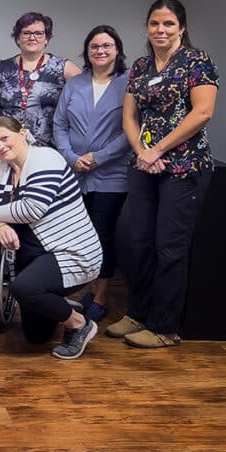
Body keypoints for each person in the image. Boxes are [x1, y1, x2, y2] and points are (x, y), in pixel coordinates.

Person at [110, 0, 219, 348]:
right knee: (137, 243)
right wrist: (143, 153)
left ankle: (165, 326)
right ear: (147, 27)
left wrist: (159, 149)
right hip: (145, 165)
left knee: (169, 247)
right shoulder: (141, 67)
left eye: (169, 24)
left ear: (182, 27)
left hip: (184, 167)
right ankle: (138, 314)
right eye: (155, 23)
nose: (161, 30)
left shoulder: (197, 62)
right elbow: (129, 117)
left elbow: (202, 113)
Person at [0, 116, 102, 359]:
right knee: (35, 336)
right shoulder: (3, 167)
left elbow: (32, 209)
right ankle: (57, 302)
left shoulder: (45, 159)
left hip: (71, 251)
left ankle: (79, 323)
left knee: (23, 288)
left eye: (5, 138)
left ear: (22, 134)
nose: (0, 146)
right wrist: (1, 224)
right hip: (36, 252)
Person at [52, 25, 131, 320]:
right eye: (94, 46)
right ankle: (83, 288)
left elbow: (130, 130)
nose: (100, 51)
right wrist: (71, 157)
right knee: (75, 234)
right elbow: (59, 125)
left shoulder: (128, 83)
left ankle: (100, 294)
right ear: (87, 51)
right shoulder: (75, 83)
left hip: (111, 175)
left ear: (117, 50)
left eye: (107, 46)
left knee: (102, 235)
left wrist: (98, 158)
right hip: (74, 175)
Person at [0, 12, 82, 148]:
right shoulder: (2, 68)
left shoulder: (62, 67)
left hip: (49, 148)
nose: (32, 37)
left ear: (46, 39)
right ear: (18, 38)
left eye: (39, 33)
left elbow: (86, 101)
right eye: (26, 33)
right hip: (7, 148)